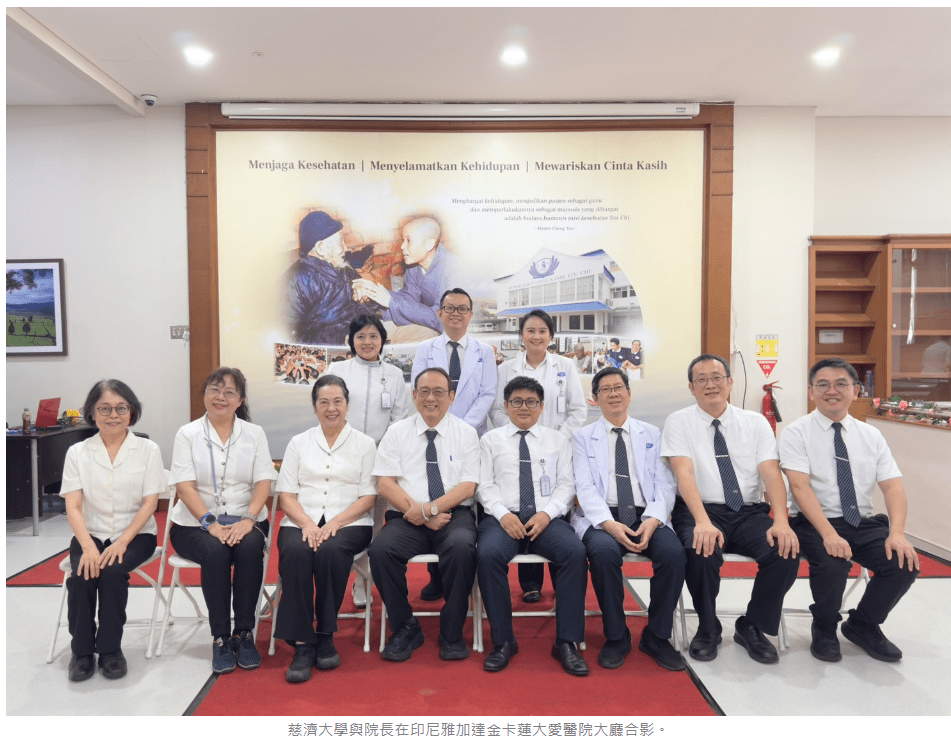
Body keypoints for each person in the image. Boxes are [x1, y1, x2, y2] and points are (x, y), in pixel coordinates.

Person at [661, 354, 799, 664]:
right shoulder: (679, 421)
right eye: (701, 380)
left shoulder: (755, 423)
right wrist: (702, 521)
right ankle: (707, 626)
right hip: (699, 510)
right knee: (700, 549)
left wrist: (781, 520)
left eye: (717, 378)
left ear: (730, 383)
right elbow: (684, 474)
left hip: (748, 512)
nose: (710, 385)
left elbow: (771, 473)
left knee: (785, 550)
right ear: (691, 387)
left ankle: (752, 625)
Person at [779, 358, 919, 663]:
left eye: (841, 384)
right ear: (811, 391)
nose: (832, 391)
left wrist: (897, 533)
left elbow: (893, 487)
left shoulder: (871, 435)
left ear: (856, 390)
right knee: (833, 563)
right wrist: (829, 534)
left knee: (903, 562)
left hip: (861, 521)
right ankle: (825, 626)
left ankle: (863, 624)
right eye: (823, 385)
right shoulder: (796, 432)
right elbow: (800, 487)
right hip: (814, 522)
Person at [572, 367, 687, 671]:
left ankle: (657, 636)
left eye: (618, 387)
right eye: (605, 389)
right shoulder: (582, 437)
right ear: (595, 398)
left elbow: (665, 483)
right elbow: (583, 486)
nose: (613, 394)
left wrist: (653, 519)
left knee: (673, 554)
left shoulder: (652, 433)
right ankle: (616, 636)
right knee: (602, 553)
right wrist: (608, 524)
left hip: (645, 513)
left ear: (629, 393)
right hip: (603, 516)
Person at [477, 377, 589, 675]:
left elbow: (566, 484)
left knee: (574, 553)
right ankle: (503, 640)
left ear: (541, 406)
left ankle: (566, 641)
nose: (523, 407)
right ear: (505, 406)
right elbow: (484, 485)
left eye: (531, 402)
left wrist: (547, 514)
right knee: (487, 555)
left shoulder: (557, 440)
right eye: (516, 401)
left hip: (546, 519)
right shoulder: (490, 440)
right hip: (503, 518)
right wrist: (503, 514)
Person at [169, 367, 277, 674]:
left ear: (240, 400)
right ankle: (220, 637)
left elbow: (263, 482)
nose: (221, 397)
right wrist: (210, 524)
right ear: (204, 395)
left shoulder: (254, 434)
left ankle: (244, 633)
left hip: (246, 517)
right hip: (194, 524)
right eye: (214, 390)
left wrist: (248, 519)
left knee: (249, 546)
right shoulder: (187, 434)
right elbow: (184, 487)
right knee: (216, 551)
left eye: (230, 392)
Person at [369, 367, 480, 662]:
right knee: (381, 551)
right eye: (425, 392)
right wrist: (418, 513)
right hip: (406, 516)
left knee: (462, 548)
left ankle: (452, 630)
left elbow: (468, 486)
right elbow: (385, 483)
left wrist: (429, 510)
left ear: (451, 396)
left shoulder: (466, 433)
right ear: (414, 395)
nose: (431, 398)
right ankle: (405, 625)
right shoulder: (397, 432)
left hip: (452, 515)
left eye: (439, 392)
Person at [59, 380, 165, 681]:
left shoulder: (147, 450)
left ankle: (110, 650)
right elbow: (73, 506)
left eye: (121, 408)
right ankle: (81, 652)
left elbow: (150, 503)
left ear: (132, 412)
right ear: (92, 413)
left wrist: (121, 542)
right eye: (104, 408)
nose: (113, 415)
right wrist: (88, 547)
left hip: (136, 534)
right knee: (82, 575)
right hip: (90, 533)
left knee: (113, 573)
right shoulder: (77, 452)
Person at [274, 375, 377, 682]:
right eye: (324, 402)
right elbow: (286, 495)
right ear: (315, 406)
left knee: (332, 551)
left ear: (347, 405)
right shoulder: (299, 442)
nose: (331, 408)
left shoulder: (365, 444)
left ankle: (325, 633)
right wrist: (307, 523)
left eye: (337, 402)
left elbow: (368, 497)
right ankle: (303, 643)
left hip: (350, 521)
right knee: (296, 551)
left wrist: (336, 522)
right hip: (301, 519)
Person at [490, 309, 587, 603]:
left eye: (542, 331)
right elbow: (497, 409)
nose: (536, 336)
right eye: (530, 330)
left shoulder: (565, 366)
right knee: (522, 500)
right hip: (517, 446)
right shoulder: (506, 368)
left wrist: (555, 440)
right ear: (522, 335)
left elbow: (577, 410)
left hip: (555, 450)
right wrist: (515, 433)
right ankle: (530, 584)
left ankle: (561, 583)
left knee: (552, 511)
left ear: (551, 336)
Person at [411, 288, 497, 601]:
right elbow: (421, 389)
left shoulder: (485, 351)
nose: (456, 314)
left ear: (471, 314)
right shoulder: (425, 349)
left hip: (471, 436)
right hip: (434, 433)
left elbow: (487, 394)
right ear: (440, 313)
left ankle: (469, 574)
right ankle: (437, 577)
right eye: (449, 308)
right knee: (435, 493)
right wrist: (443, 424)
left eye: (462, 309)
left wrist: (461, 428)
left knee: (469, 504)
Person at [326, 314, 412, 607]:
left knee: (375, 521)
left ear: (383, 340)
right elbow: (328, 411)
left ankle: (364, 581)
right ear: (351, 340)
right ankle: (344, 576)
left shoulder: (394, 374)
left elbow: (399, 418)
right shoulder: (337, 370)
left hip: (379, 458)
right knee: (345, 518)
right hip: (344, 454)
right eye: (360, 336)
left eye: (373, 336)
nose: (367, 342)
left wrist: (383, 451)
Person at [353, 216, 453, 340]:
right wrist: (373, 295)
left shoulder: (453, 270)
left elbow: (442, 318)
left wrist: (390, 301)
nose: (402, 246)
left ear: (429, 244)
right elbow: (409, 299)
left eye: (408, 240)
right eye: (403, 240)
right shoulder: (414, 268)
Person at [284, 210, 373, 346]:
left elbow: (367, 304)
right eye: (340, 242)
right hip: (335, 351)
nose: (346, 248)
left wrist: (365, 296)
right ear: (320, 248)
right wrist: (340, 340)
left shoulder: (341, 265)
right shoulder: (297, 281)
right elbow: (290, 341)